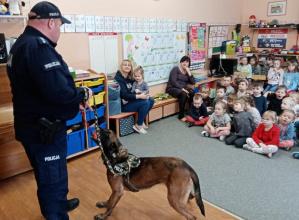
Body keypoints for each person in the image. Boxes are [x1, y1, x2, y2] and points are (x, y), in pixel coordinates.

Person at [6, 2, 92, 219]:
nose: (60, 31)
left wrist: (73, 101)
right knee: (51, 180)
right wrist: (82, 95)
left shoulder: (21, 44)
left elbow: (44, 90)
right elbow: (59, 93)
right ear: (51, 21)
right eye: (60, 26)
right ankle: (56, 213)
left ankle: (59, 204)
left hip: (37, 126)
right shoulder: (38, 47)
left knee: (54, 174)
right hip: (43, 131)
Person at [115, 60, 154, 134]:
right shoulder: (119, 79)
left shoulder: (131, 78)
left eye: (129, 65)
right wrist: (139, 96)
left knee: (151, 100)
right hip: (124, 105)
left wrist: (144, 94)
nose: (127, 66)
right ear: (121, 67)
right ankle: (138, 125)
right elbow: (125, 95)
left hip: (132, 101)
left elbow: (137, 89)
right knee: (145, 102)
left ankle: (141, 121)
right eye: (125, 65)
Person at [166, 56, 196, 121]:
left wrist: (189, 71)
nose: (184, 63)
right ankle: (181, 115)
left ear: (189, 63)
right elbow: (173, 82)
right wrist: (182, 89)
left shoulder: (187, 71)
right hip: (173, 88)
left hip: (183, 88)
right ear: (181, 62)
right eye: (183, 62)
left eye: (186, 62)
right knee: (184, 94)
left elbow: (193, 82)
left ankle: (191, 112)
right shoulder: (175, 69)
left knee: (191, 91)